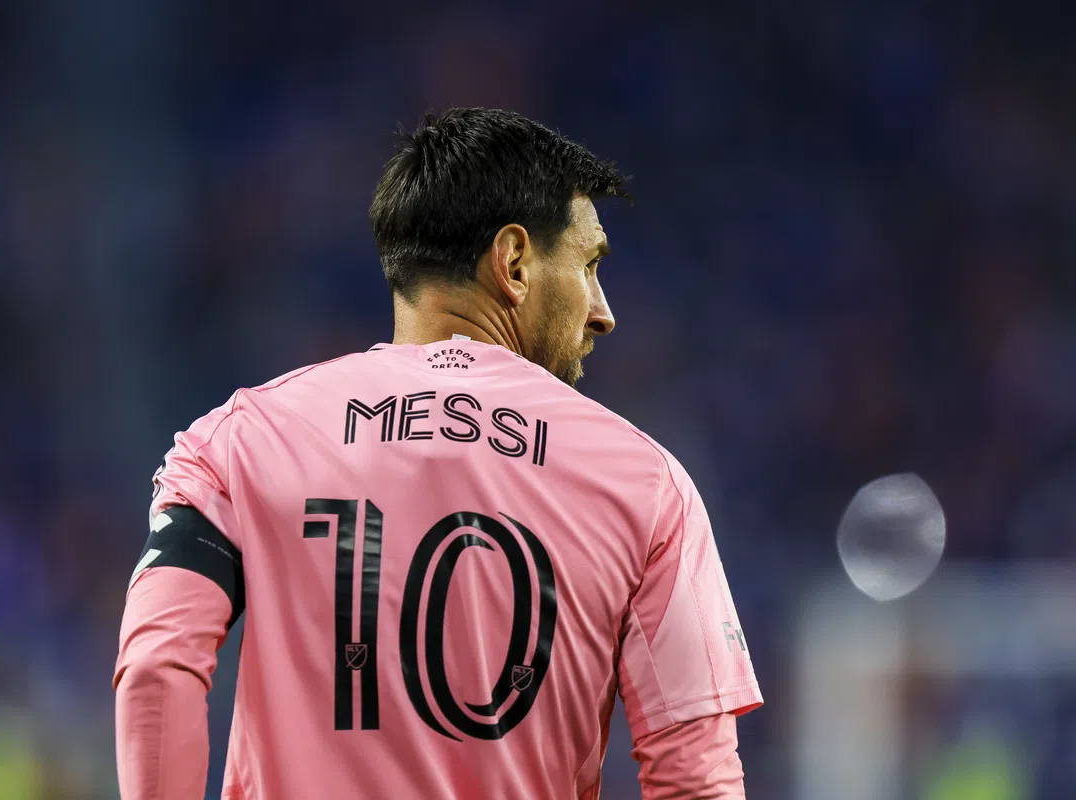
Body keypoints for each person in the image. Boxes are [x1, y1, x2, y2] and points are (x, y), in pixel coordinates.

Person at [114, 107, 762, 799]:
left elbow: (156, 667)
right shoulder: (643, 481)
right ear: (514, 261)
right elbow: (695, 778)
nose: (603, 312)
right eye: (590, 264)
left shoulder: (239, 441)